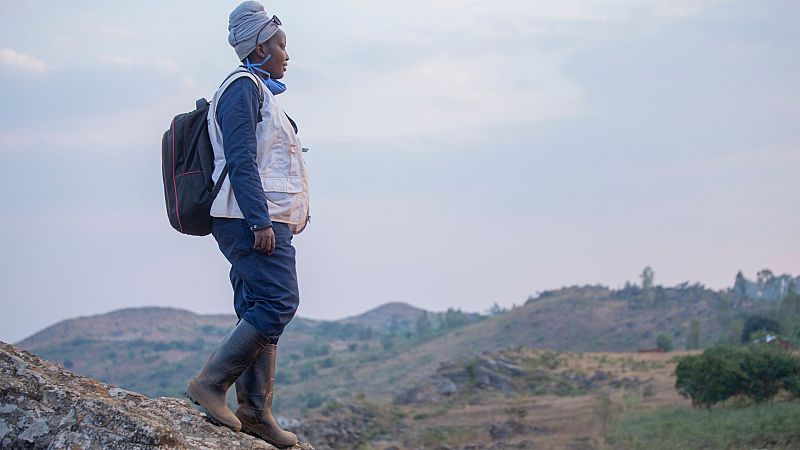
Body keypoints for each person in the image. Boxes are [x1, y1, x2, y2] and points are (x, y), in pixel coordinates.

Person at [185, 2, 309, 448]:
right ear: (258, 48)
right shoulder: (242, 88)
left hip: (259, 219)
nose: (286, 53)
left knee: (259, 306)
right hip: (247, 220)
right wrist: (261, 221)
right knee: (278, 302)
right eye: (279, 44)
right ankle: (211, 384)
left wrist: (293, 215)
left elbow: (271, 163)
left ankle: (255, 413)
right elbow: (240, 160)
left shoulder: (258, 90)